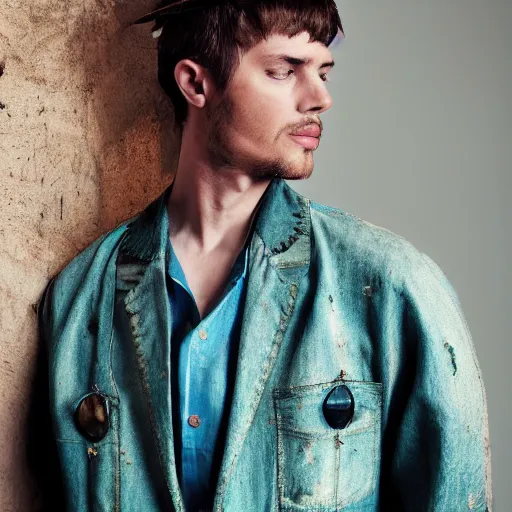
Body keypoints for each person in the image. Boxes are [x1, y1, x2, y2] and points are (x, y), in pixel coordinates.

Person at [35, 0, 492, 510]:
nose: (320, 98)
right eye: (284, 70)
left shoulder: (391, 285)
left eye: (323, 71)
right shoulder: (79, 298)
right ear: (197, 84)